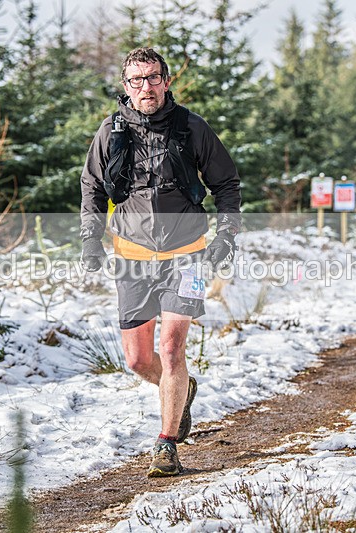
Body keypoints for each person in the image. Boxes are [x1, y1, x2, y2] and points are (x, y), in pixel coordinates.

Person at [79, 47, 241, 477]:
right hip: (131, 255)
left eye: (153, 78)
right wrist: (90, 240)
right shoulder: (110, 132)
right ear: (126, 86)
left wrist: (227, 235)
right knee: (137, 360)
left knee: (171, 348)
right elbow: (92, 186)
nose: (145, 87)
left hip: (185, 253)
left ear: (166, 81)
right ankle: (181, 388)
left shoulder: (192, 128)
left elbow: (226, 183)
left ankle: (166, 444)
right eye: (136, 80)